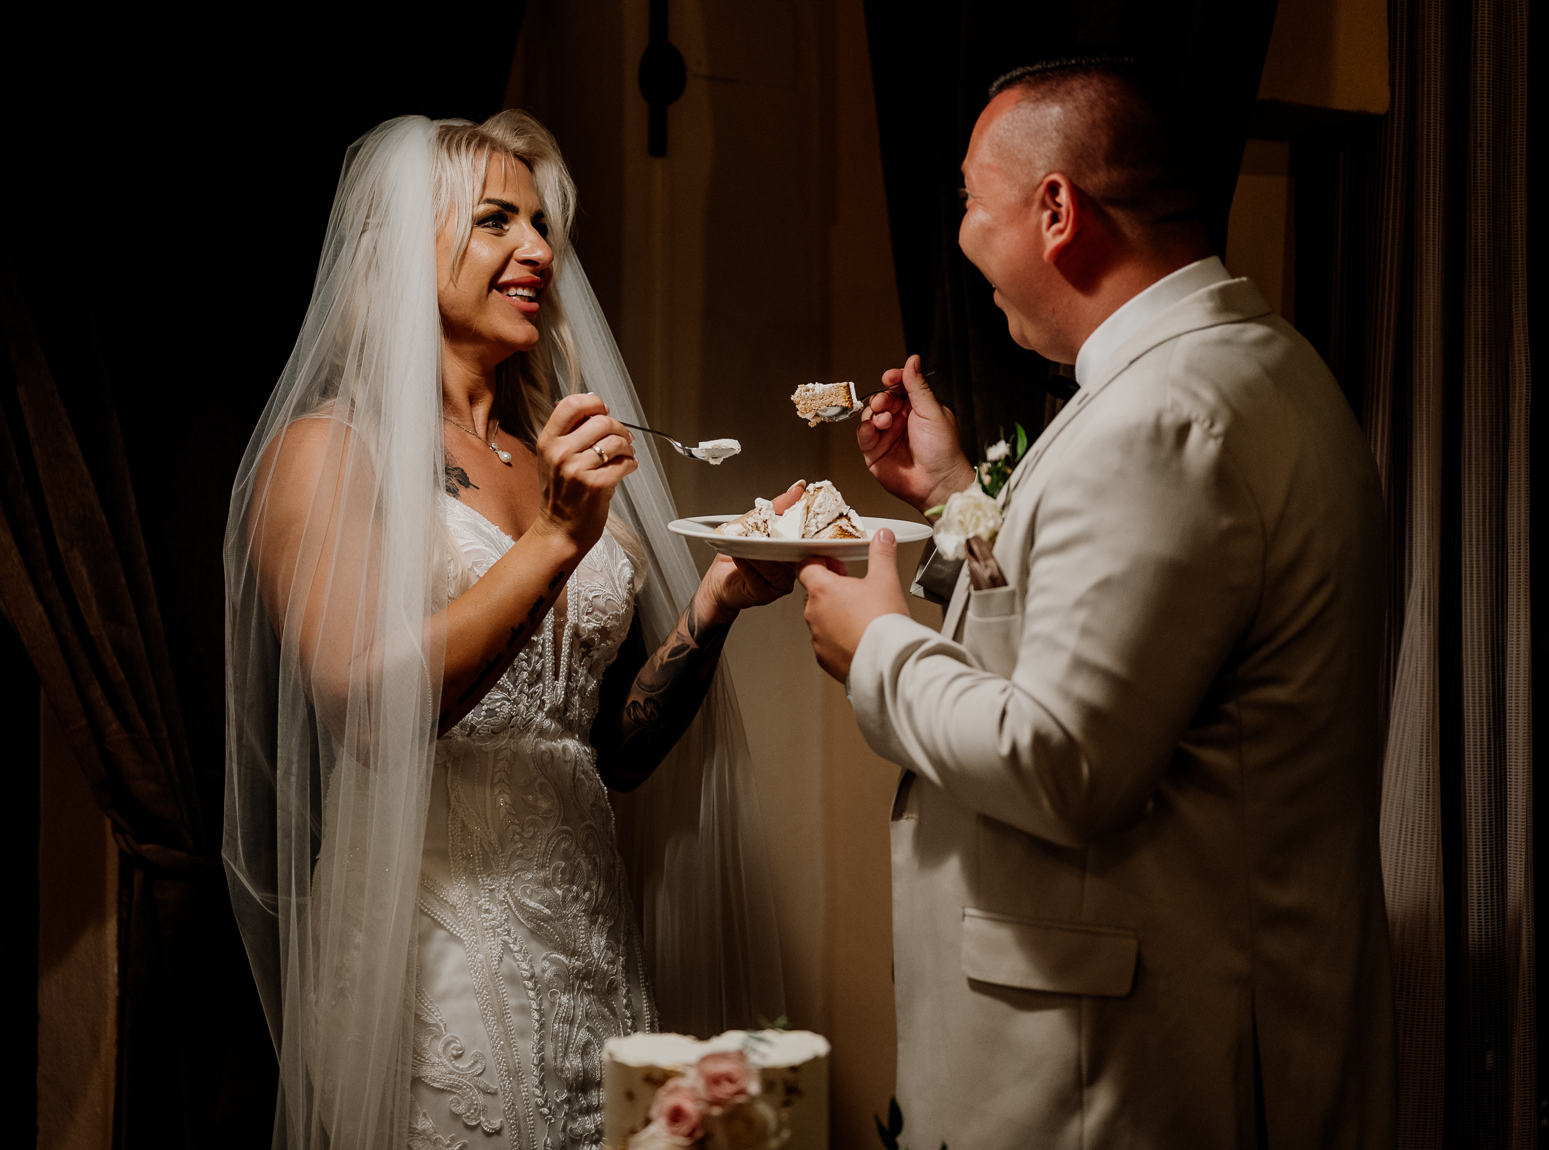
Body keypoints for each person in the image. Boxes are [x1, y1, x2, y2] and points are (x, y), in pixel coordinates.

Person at [798, 61, 1396, 1147]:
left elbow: (1065, 761)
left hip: (1118, 1070)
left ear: (1057, 210)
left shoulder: (1158, 417)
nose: (966, 238)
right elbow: (1118, 629)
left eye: (975, 205)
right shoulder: (1249, 364)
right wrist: (956, 499)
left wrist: (878, 645)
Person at [222, 112, 791, 1149]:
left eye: (541, 225)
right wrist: (559, 535)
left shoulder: (552, 457)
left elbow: (604, 750)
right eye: (497, 222)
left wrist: (711, 608)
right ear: (401, 250)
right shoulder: (330, 451)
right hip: (436, 948)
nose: (539, 250)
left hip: (589, 934)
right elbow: (364, 707)